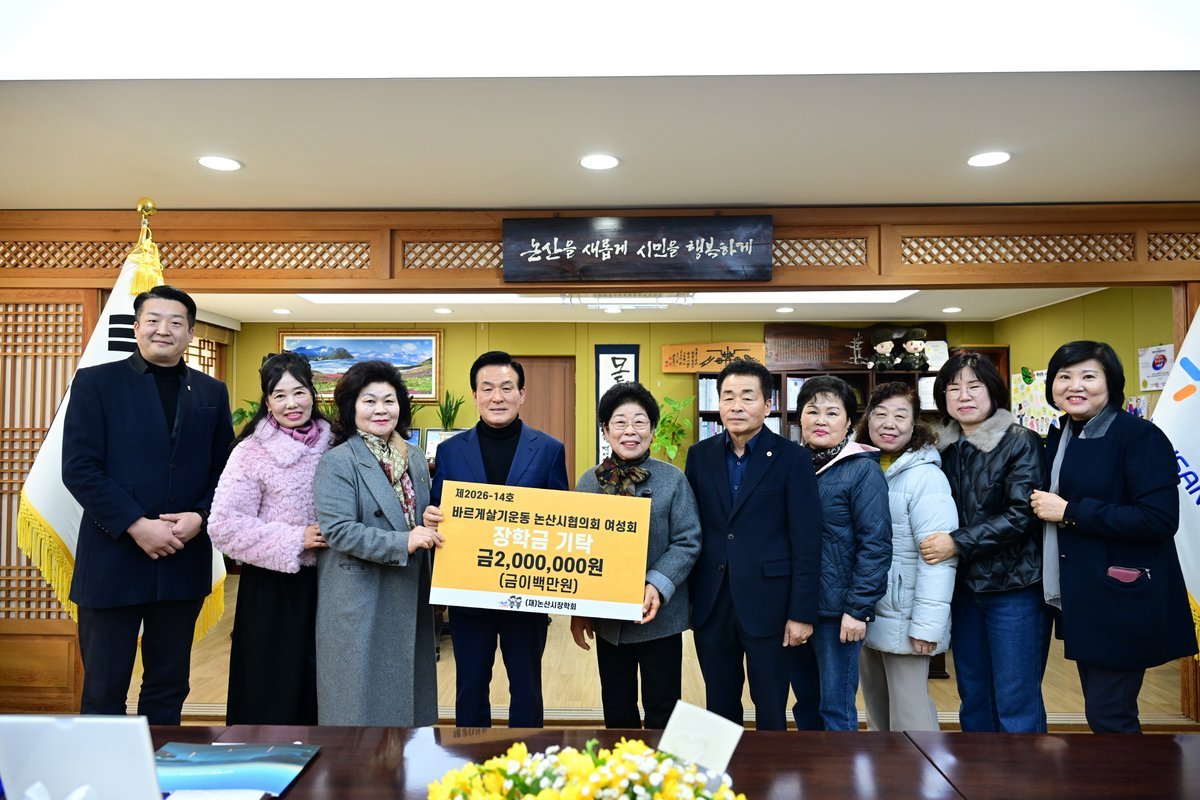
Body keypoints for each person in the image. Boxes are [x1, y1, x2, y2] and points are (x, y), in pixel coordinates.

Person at [62, 284, 234, 725]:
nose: (163, 330)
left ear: (190, 333)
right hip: (113, 558)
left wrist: (200, 516)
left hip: (182, 556)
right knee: (104, 688)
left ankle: (160, 763)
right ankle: (104, 768)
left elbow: (227, 470)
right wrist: (137, 524)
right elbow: (79, 468)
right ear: (136, 327)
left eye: (176, 322)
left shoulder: (211, 392)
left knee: (169, 685)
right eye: (153, 320)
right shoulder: (96, 383)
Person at [1031, 341, 1197, 733]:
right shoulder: (1063, 434)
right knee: (1103, 713)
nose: (1075, 386)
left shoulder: (1139, 436)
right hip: (1083, 596)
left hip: (1122, 598)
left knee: (1111, 715)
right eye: (1064, 376)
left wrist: (1071, 511)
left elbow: (1158, 519)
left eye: (1089, 376)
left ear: (1111, 383)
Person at [424, 351, 569, 728]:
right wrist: (431, 515)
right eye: (487, 388)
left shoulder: (549, 450)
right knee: (470, 686)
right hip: (469, 593)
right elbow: (439, 509)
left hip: (526, 593)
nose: (497, 397)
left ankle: (528, 758)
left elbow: (560, 522)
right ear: (475, 395)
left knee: (527, 687)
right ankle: (470, 759)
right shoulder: (449, 451)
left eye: (506, 388)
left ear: (522, 394)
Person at [685, 358, 823, 731]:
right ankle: (726, 769)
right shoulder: (700, 455)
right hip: (713, 602)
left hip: (771, 605)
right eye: (727, 397)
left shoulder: (793, 458)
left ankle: (768, 769)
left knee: (771, 706)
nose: (736, 406)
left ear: (768, 404)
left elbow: (807, 540)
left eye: (747, 397)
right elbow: (691, 529)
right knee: (719, 704)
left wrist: (801, 613)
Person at [921, 352, 1049, 732]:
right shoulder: (941, 448)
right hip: (962, 589)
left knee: (1016, 700)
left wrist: (957, 543)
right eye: (953, 388)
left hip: (1014, 587)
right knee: (973, 696)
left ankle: (1024, 772)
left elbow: (1022, 514)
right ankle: (977, 770)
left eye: (974, 386)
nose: (964, 395)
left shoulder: (1020, 441)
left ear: (993, 391)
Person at [313, 360, 443, 726]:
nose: (381, 410)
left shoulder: (413, 457)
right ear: (351, 407)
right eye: (369, 401)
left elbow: (413, 518)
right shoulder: (338, 462)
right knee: (358, 705)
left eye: (389, 400)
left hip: (408, 589)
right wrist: (404, 541)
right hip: (362, 595)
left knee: (409, 705)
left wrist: (428, 519)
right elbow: (338, 530)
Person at [208, 351, 333, 724]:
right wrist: (295, 539)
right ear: (267, 401)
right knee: (272, 689)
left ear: (312, 393)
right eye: (280, 395)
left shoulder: (337, 443)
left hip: (332, 583)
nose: (291, 404)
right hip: (273, 589)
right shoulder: (250, 452)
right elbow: (223, 525)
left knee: (325, 686)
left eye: (299, 392)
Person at [569, 382, 701, 729]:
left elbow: (688, 540)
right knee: (617, 708)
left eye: (640, 422)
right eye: (620, 422)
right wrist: (578, 611)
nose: (630, 431)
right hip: (609, 621)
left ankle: (660, 765)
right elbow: (577, 546)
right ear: (605, 430)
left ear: (652, 429)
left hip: (660, 618)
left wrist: (656, 584)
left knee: (662, 707)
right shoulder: (588, 482)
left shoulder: (673, 479)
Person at [789, 376, 892, 731]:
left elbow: (876, 544)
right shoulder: (791, 466)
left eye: (832, 413)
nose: (821, 420)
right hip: (795, 607)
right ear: (799, 418)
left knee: (836, 707)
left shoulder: (862, 470)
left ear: (849, 422)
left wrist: (858, 609)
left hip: (838, 613)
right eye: (812, 411)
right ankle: (812, 767)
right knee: (805, 703)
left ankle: (840, 768)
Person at [854, 381, 958, 732]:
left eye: (900, 416)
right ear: (867, 419)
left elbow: (939, 558)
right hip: (865, 610)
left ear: (915, 424)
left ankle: (925, 771)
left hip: (906, 614)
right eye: (880, 414)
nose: (889, 424)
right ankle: (886, 771)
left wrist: (927, 626)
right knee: (877, 714)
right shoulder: (861, 466)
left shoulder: (926, 476)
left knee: (911, 719)